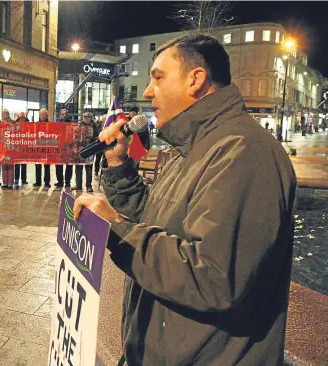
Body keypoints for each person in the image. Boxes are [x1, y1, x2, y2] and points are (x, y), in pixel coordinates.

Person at [73, 34, 296, 365]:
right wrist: (119, 167)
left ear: (196, 79)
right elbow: (154, 220)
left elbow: (213, 279)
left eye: (158, 77)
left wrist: (116, 230)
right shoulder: (190, 149)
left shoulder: (245, 153)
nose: (148, 92)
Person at [75, 112, 98, 193]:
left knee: (88, 169)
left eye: (88, 117)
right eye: (85, 117)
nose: (86, 118)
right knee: (78, 168)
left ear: (91, 118)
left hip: (90, 149)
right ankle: (78, 185)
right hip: (80, 149)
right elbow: (74, 135)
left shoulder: (94, 126)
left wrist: (93, 140)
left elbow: (97, 136)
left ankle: (89, 186)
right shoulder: (79, 125)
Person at [34, 108, 52, 188]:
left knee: (47, 166)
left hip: (47, 147)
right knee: (37, 166)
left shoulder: (51, 125)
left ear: (47, 115)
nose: (42, 116)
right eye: (41, 114)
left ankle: (47, 182)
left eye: (44, 114)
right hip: (38, 147)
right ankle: (38, 182)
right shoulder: (35, 124)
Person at [56, 108, 73, 188]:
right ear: (60, 115)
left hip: (69, 147)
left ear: (68, 114)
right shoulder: (57, 124)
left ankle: (67, 182)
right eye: (62, 114)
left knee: (69, 165)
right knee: (58, 165)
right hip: (59, 147)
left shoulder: (72, 124)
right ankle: (60, 181)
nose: (64, 115)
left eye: (65, 114)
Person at [0, 109, 15, 189]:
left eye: (6, 114)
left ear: (8, 114)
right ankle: (5, 182)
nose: (5, 115)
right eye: (3, 114)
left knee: (10, 166)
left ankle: (10, 183)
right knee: (4, 166)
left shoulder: (12, 123)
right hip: (2, 148)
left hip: (11, 147)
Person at [13, 112, 29, 187]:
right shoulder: (15, 126)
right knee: (17, 164)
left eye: (23, 118)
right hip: (17, 147)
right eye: (21, 119)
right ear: (18, 119)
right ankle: (16, 179)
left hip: (25, 147)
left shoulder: (29, 126)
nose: (22, 120)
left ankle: (24, 180)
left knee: (24, 165)